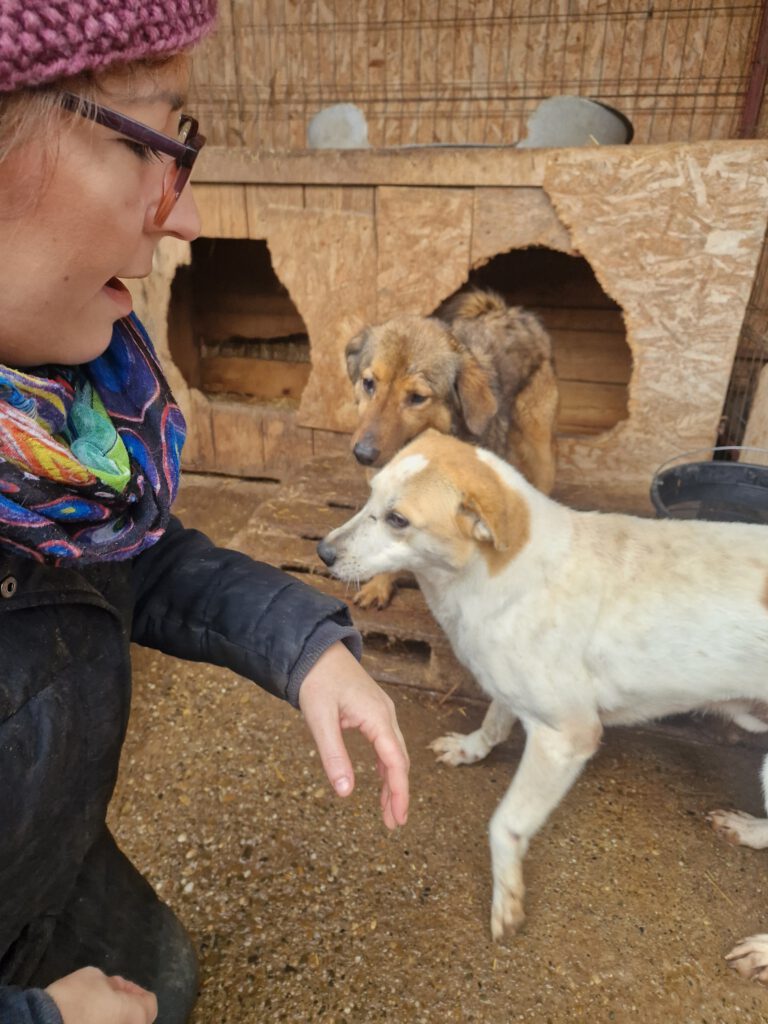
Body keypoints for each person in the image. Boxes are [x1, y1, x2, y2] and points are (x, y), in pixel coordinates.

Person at [0, 2, 410, 1022]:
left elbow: (137, 560)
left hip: (55, 870)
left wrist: (302, 642)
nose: (185, 217)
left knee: (163, 974)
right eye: (149, 142)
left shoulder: (68, 440)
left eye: (181, 146)